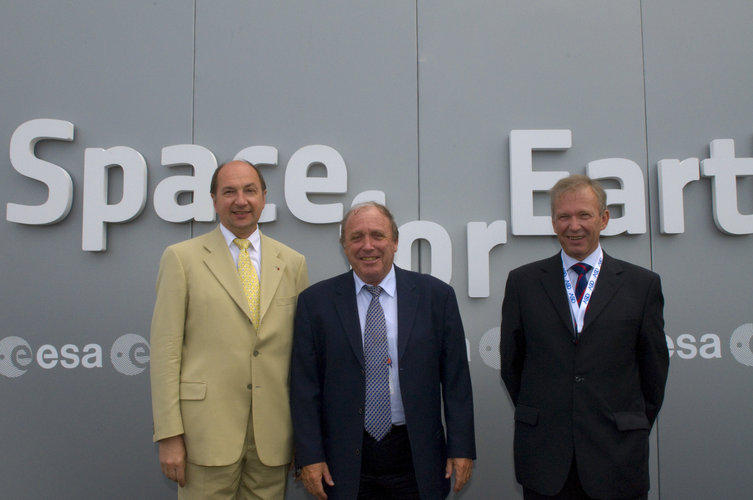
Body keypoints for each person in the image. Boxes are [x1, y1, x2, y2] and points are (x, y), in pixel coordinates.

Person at [290, 202, 476, 499]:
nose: (368, 246)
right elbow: (304, 387)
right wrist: (310, 455)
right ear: (344, 245)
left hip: (417, 458)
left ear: (395, 241)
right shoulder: (316, 303)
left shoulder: (435, 297)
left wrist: (462, 448)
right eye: (356, 237)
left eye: (377, 235)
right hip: (344, 463)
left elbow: (456, 382)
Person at [500, 174, 669, 500]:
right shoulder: (523, 283)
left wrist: (627, 424)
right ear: (553, 222)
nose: (573, 225)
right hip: (546, 459)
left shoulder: (641, 285)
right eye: (564, 217)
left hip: (618, 457)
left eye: (584, 215)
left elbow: (654, 372)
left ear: (603, 219)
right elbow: (513, 365)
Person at [150, 160, 309, 499]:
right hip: (204, 437)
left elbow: (303, 358)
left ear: (264, 197)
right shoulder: (181, 259)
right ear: (213, 199)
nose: (241, 200)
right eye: (229, 192)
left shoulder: (293, 263)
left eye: (250, 191)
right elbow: (165, 352)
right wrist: (169, 435)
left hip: (273, 436)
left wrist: (303, 436)